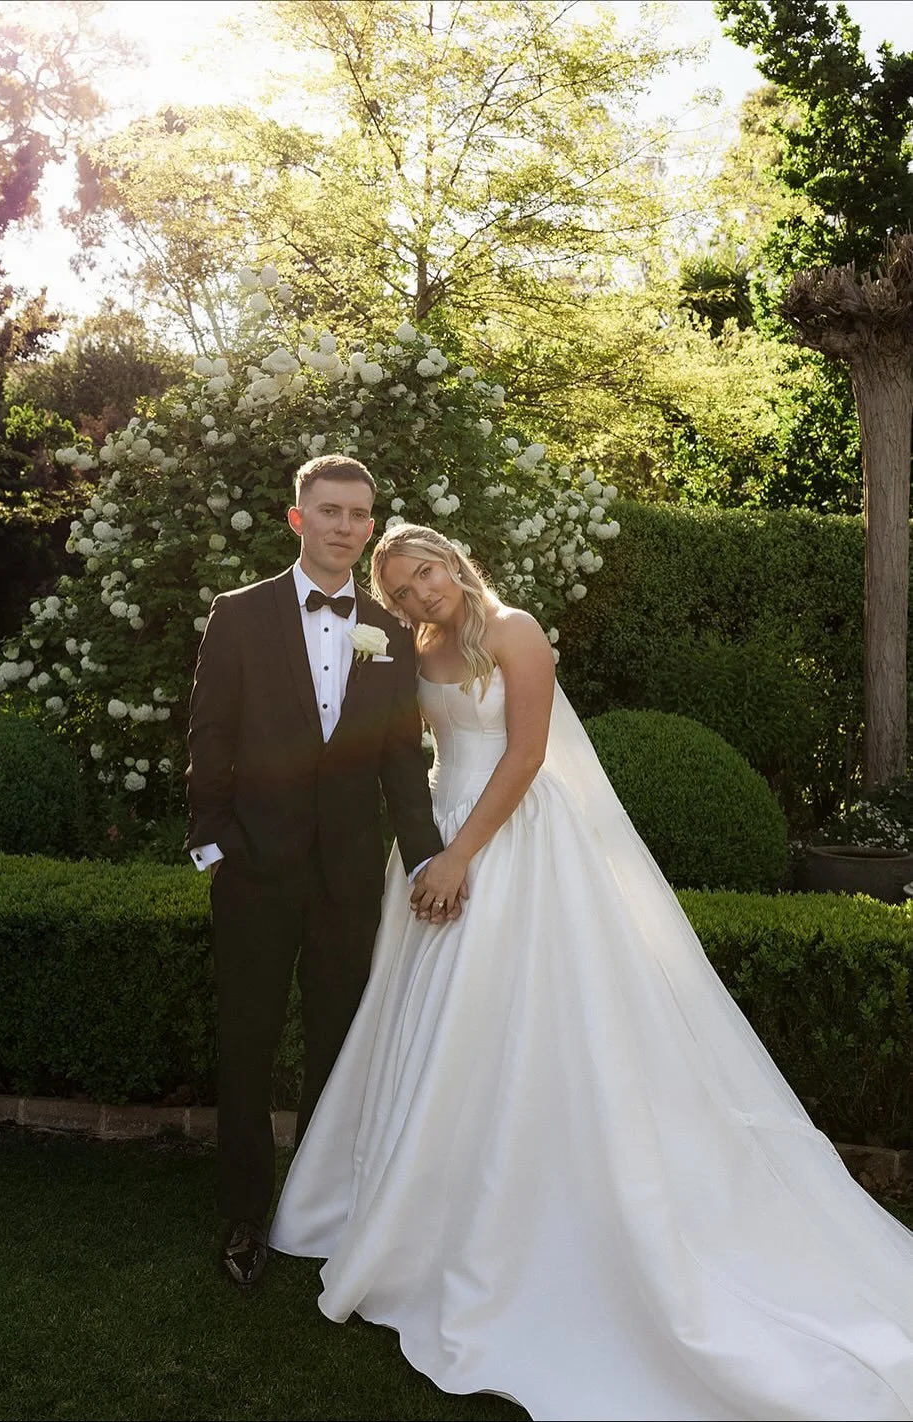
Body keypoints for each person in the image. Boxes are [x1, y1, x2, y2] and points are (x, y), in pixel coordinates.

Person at [270, 522, 913, 1421]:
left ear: (452, 564)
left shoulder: (514, 632)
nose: (419, 596)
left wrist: (460, 857)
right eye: (402, 589)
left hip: (514, 844)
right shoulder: (413, 649)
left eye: (425, 576)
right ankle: (429, 1213)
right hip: (432, 847)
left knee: (528, 1022)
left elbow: (527, 756)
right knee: (434, 1032)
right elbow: (394, 750)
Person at [184, 458, 450, 1291]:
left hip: (346, 878)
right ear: (298, 519)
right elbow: (209, 734)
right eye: (328, 511)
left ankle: (323, 1210)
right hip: (254, 871)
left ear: (370, 528)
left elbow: (403, 765)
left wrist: (427, 861)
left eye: (358, 514)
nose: (343, 525)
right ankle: (243, 1216)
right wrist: (212, 843)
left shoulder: (392, 632)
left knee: (340, 1044)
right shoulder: (238, 615)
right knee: (249, 1046)